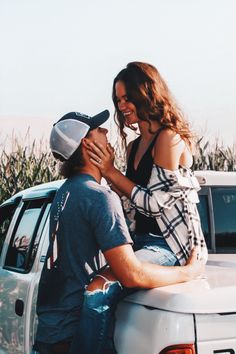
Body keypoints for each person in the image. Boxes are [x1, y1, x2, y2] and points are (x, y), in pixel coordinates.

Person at [35, 109, 205, 354]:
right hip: (78, 335)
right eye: (98, 129)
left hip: (51, 332)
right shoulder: (98, 197)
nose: (106, 131)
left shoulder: (66, 192)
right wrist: (189, 272)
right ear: (87, 144)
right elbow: (132, 275)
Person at [87, 61, 208, 266]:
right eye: (118, 100)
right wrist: (104, 173)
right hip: (139, 240)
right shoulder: (133, 146)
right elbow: (131, 200)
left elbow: (154, 204)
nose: (121, 106)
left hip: (170, 245)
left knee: (104, 283)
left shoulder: (168, 138)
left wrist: (111, 171)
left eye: (127, 98)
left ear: (147, 94)